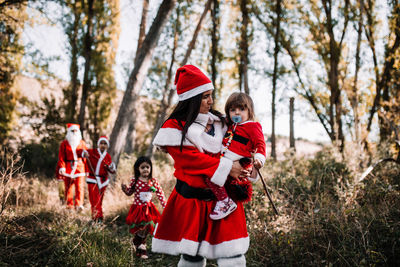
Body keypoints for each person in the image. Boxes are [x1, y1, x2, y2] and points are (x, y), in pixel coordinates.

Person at [151, 65, 254, 267]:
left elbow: (242, 144)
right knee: (192, 258)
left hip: (226, 201)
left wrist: (248, 162)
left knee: (233, 257)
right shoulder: (174, 128)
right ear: (192, 98)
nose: (211, 101)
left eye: (211, 95)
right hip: (192, 202)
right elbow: (191, 161)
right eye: (205, 96)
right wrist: (228, 167)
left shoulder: (221, 122)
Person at [206, 92, 267, 220]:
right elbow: (218, 117)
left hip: (238, 159)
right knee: (214, 177)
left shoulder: (252, 126)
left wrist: (260, 159)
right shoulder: (231, 124)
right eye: (232, 110)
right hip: (225, 158)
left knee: (211, 176)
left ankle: (225, 201)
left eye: (242, 109)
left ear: (250, 111)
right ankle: (223, 199)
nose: (237, 113)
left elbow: (260, 143)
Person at [121, 156, 166, 259]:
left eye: (147, 167)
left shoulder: (153, 181)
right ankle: (141, 248)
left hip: (148, 209)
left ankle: (137, 243)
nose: (145, 169)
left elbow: (160, 193)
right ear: (138, 169)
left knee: (146, 228)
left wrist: (165, 205)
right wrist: (125, 189)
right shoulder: (135, 180)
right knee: (141, 227)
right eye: (143, 167)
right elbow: (129, 192)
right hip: (138, 208)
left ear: (150, 168)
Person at [83, 136, 116, 223]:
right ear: (98, 144)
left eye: (105, 144)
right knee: (95, 200)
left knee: (99, 201)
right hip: (93, 179)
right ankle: (98, 218)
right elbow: (81, 153)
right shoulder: (92, 152)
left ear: (107, 146)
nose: (103, 145)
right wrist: (84, 153)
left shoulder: (107, 156)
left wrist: (112, 167)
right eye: (101, 143)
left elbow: (111, 170)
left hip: (103, 181)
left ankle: (96, 218)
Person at [57, 123, 88, 211]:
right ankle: (69, 206)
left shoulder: (82, 143)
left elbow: (85, 157)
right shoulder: (64, 143)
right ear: (69, 132)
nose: (74, 132)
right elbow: (61, 156)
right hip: (68, 167)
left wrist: (87, 168)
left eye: (76, 131)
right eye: (72, 131)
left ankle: (79, 205)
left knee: (79, 187)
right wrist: (62, 167)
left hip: (80, 167)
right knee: (68, 187)